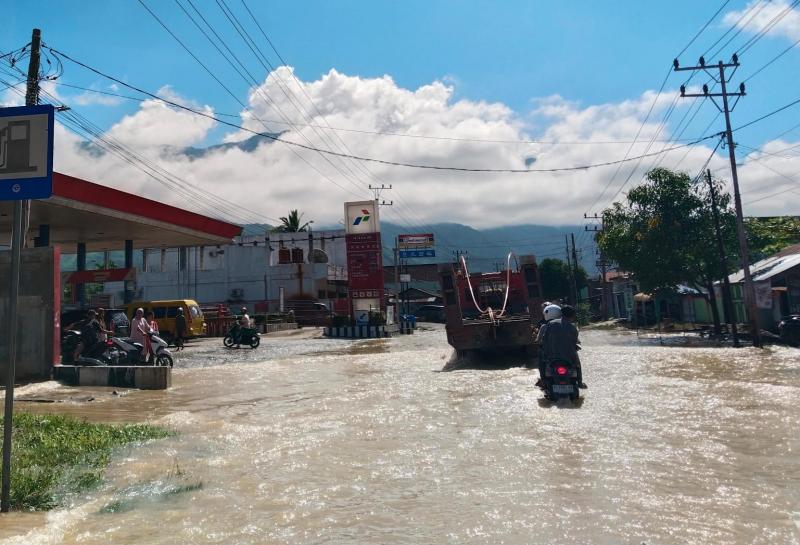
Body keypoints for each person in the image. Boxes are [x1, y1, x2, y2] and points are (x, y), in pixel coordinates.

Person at [537, 304, 587, 389]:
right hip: (568, 358)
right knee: (577, 363)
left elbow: (544, 339)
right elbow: (574, 341)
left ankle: (543, 381)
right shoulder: (573, 328)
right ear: (573, 316)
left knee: (541, 359)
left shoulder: (550, 324)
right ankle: (580, 382)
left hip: (551, 358)